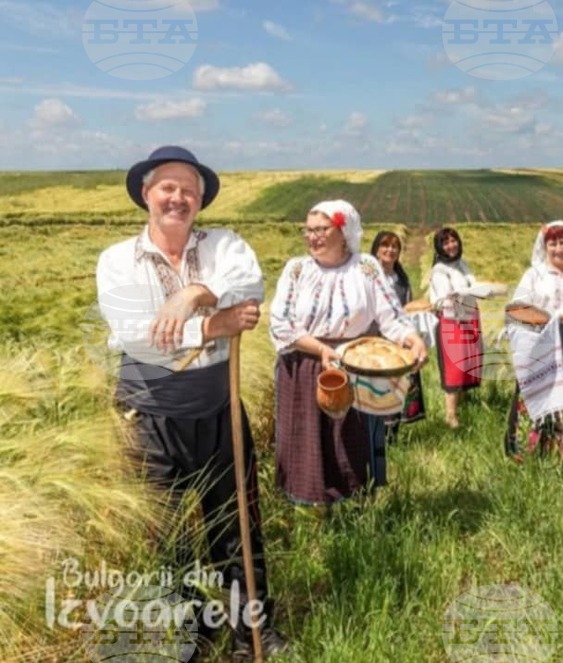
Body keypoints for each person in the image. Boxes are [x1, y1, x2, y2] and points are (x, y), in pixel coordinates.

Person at [96, 145, 287, 661]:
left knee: (237, 522)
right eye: (168, 187)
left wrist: (193, 293)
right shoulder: (117, 260)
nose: (177, 197)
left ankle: (252, 629)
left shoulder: (224, 244)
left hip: (219, 407)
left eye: (189, 189)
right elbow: (136, 335)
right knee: (171, 533)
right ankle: (187, 631)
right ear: (146, 194)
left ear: (200, 200)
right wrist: (214, 324)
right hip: (150, 418)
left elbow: (250, 284)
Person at [269, 201, 428, 505]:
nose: (312, 236)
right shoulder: (297, 270)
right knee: (308, 442)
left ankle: (355, 508)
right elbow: (281, 324)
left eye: (321, 229)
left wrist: (411, 338)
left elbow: (391, 315)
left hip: (356, 364)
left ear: (344, 232)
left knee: (350, 441)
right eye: (309, 230)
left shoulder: (366, 268)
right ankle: (311, 513)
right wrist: (321, 349)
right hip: (304, 365)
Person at [504, 220, 563, 461]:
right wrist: (543, 321)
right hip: (539, 343)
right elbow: (518, 309)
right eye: (553, 243)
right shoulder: (534, 275)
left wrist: (558, 316)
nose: (559, 249)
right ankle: (530, 451)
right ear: (544, 246)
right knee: (539, 390)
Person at [370, 231, 427, 444]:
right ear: (376, 249)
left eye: (395, 247)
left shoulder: (401, 279)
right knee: (378, 389)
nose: (390, 250)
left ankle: (393, 434)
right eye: (385, 245)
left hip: (399, 339)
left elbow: (406, 308)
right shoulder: (370, 277)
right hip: (378, 341)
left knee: (397, 388)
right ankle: (377, 436)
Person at [429, 227, 483, 429]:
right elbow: (446, 298)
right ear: (439, 247)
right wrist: (467, 292)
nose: (451, 246)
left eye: (454, 241)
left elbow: (474, 284)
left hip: (469, 317)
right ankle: (450, 416)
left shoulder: (462, 264)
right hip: (452, 322)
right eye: (446, 242)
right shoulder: (439, 271)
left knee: (468, 364)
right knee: (454, 368)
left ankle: (464, 406)